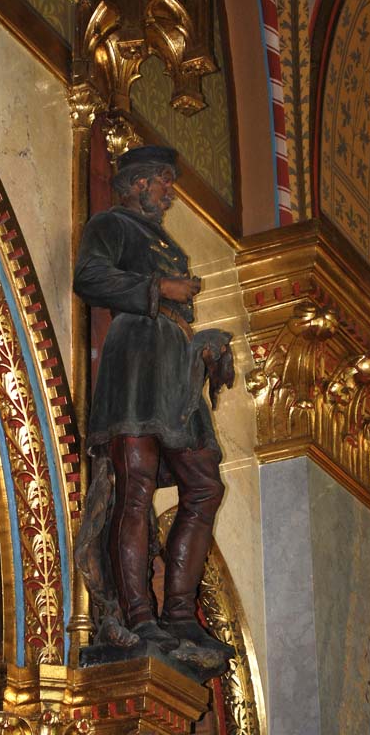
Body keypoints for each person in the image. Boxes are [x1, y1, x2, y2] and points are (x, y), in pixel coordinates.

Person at [73, 145, 234, 658]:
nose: (170, 193)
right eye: (164, 182)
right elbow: (89, 277)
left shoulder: (167, 243)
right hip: (136, 361)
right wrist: (158, 286)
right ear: (138, 183)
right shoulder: (112, 224)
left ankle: (180, 614)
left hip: (175, 366)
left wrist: (204, 345)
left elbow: (175, 312)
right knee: (136, 485)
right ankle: (140, 615)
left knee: (205, 485)